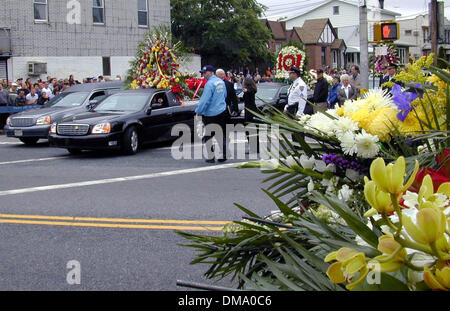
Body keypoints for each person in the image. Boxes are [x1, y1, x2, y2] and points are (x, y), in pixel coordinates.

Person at [195, 65, 228, 163]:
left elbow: (205, 100)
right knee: (220, 134)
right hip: (222, 111)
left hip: (211, 114)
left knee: (208, 136)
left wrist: (198, 111)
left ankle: (211, 156)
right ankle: (223, 154)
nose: (203, 75)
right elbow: (225, 95)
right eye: (202, 73)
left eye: (205, 73)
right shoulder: (221, 82)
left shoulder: (209, 84)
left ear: (211, 72)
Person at [242, 77, 260, 154]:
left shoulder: (249, 89)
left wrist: (246, 90)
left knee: (250, 130)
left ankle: (254, 148)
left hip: (250, 111)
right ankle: (255, 147)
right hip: (251, 110)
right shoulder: (251, 89)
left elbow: (250, 91)